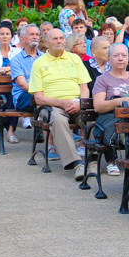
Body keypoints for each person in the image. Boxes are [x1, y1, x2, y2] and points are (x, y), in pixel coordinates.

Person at [30, 29, 91, 181]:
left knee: (91, 118)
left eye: (62, 38)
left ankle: (95, 159)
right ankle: (77, 164)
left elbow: (84, 88)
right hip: (51, 105)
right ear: (46, 42)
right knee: (57, 119)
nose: (59, 41)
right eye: (55, 38)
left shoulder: (74, 59)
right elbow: (38, 98)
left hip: (75, 103)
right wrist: (61, 103)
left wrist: (79, 103)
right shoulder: (38, 63)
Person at [91, 43, 129, 176]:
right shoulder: (102, 79)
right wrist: (118, 101)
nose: (120, 58)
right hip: (120, 125)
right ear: (109, 59)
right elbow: (98, 106)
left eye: (124, 55)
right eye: (116, 56)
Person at [10, 24, 41, 115]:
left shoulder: (45, 57)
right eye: (31, 34)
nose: (35, 37)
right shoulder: (16, 60)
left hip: (44, 94)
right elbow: (22, 84)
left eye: (37, 34)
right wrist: (42, 94)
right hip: (24, 96)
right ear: (23, 39)